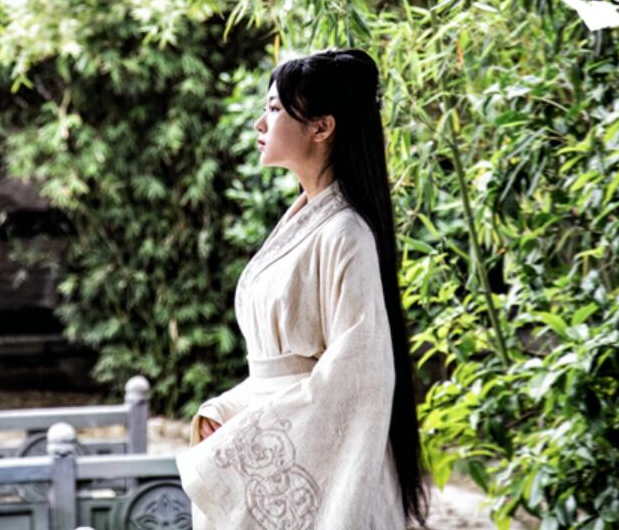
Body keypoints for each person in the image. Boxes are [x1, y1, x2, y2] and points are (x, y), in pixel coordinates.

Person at [175, 48, 429, 529]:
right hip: (267, 421)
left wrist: (247, 434)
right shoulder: (305, 221)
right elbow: (277, 373)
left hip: (319, 455)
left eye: (274, 109)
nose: (260, 123)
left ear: (321, 127)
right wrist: (229, 413)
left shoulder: (345, 233)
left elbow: (356, 379)